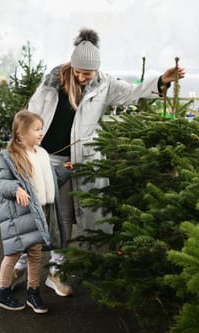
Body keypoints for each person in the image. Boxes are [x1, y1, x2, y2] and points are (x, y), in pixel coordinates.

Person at [12, 28, 185, 296]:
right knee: (37, 213)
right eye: (78, 71)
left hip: (77, 161)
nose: (82, 77)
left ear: (96, 70)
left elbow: (133, 93)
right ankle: (21, 263)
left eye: (87, 73)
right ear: (72, 65)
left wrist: (162, 80)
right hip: (44, 159)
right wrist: (22, 150)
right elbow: (29, 114)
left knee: (64, 216)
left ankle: (56, 271)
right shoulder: (51, 82)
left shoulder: (105, 84)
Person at [0, 110, 58, 313]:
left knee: (36, 254)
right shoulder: (10, 157)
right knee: (14, 253)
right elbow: (1, 183)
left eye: (41, 129)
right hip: (20, 215)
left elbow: (47, 179)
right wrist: (16, 188)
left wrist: (65, 170)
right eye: (36, 129)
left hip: (39, 212)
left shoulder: (42, 153)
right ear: (21, 133)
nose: (41, 133)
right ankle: (1, 291)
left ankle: (33, 292)